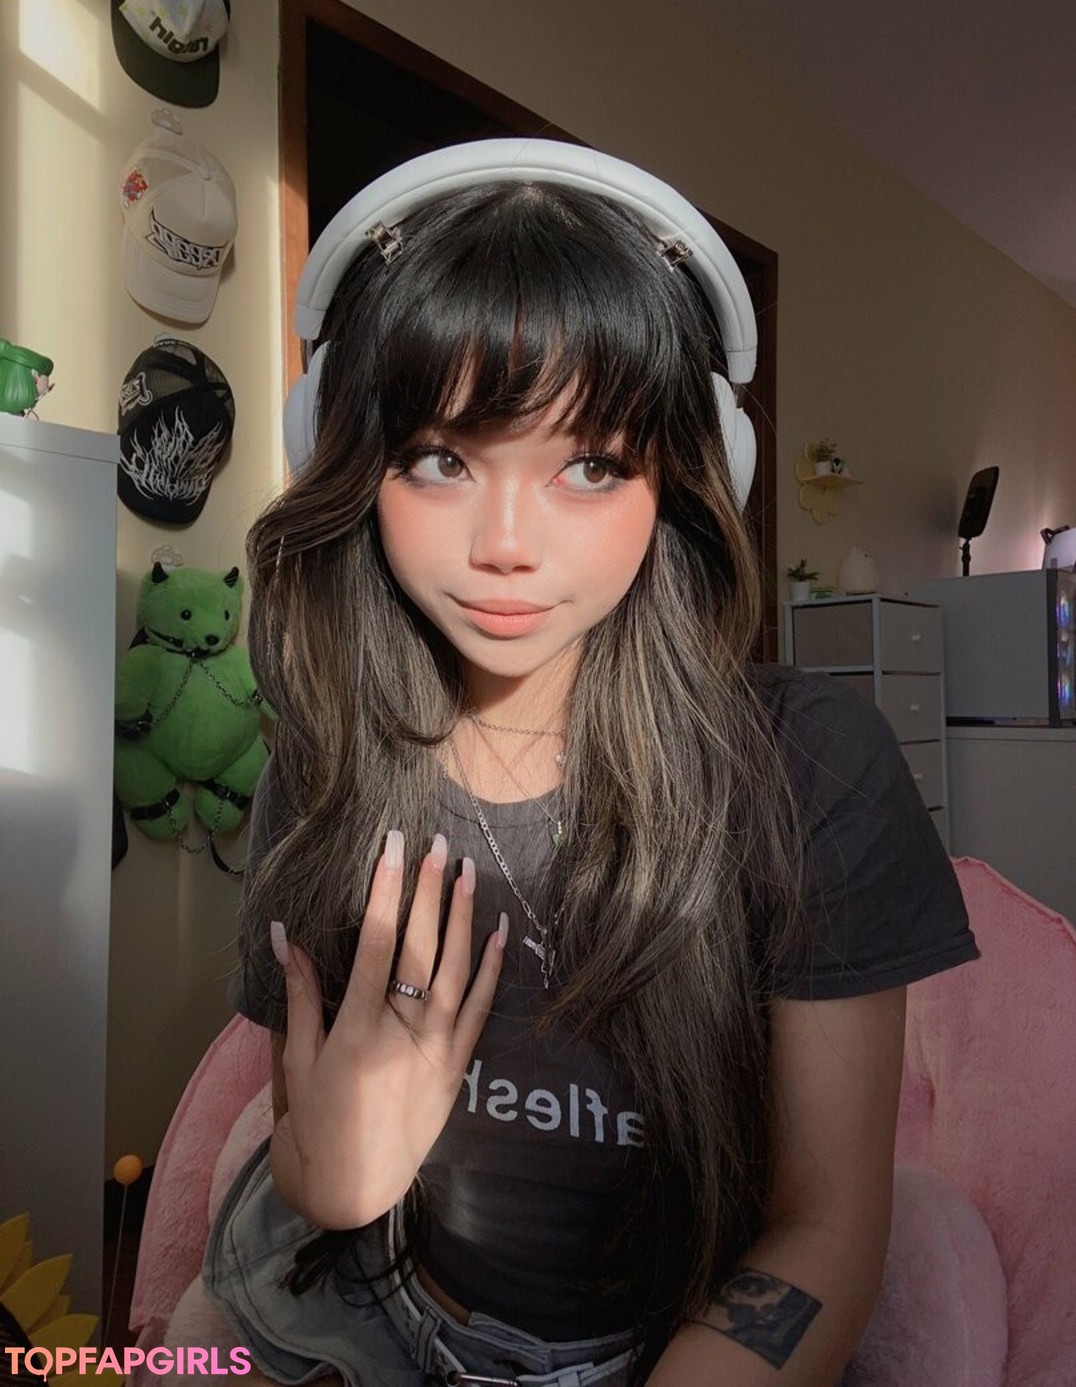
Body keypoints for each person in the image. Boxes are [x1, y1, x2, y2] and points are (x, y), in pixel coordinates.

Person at [200, 139, 980, 1387]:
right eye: (442, 458)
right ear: (351, 458)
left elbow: (827, 1224)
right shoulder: (324, 765)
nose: (506, 543)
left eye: (591, 464)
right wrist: (324, 1180)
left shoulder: (809, 769)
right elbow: (308, 1142)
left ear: (680, 476)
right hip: (356, 1324)